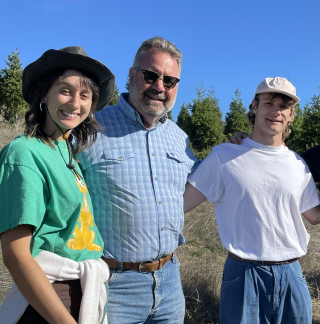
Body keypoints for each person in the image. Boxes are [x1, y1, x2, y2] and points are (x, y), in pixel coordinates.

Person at [78, 36, 200, 323]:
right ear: (131, 76)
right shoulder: (91, 128)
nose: (160, 86)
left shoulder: (179, 138)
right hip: (113, 284)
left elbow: (205, 179)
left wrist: (235, 146)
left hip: (169, 281)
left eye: (169, 81)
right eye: (150, 75)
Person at [183, 77, 320, 324]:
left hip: (292, 274)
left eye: (284, 107)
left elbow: (314, 215)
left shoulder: (298, 164)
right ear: (254, 106)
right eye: (269, 103)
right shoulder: (223, 156)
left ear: (291, 115)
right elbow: (180, 204)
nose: (276, 111)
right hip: (244, 274)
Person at [0, 46, 115, 324]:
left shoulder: (69, 154)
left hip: (85, 296)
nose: (76, 103)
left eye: (85, 95)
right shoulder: (24, 153)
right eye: (65, 91)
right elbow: (16, 255)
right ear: (44, 94)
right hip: (50, 304)